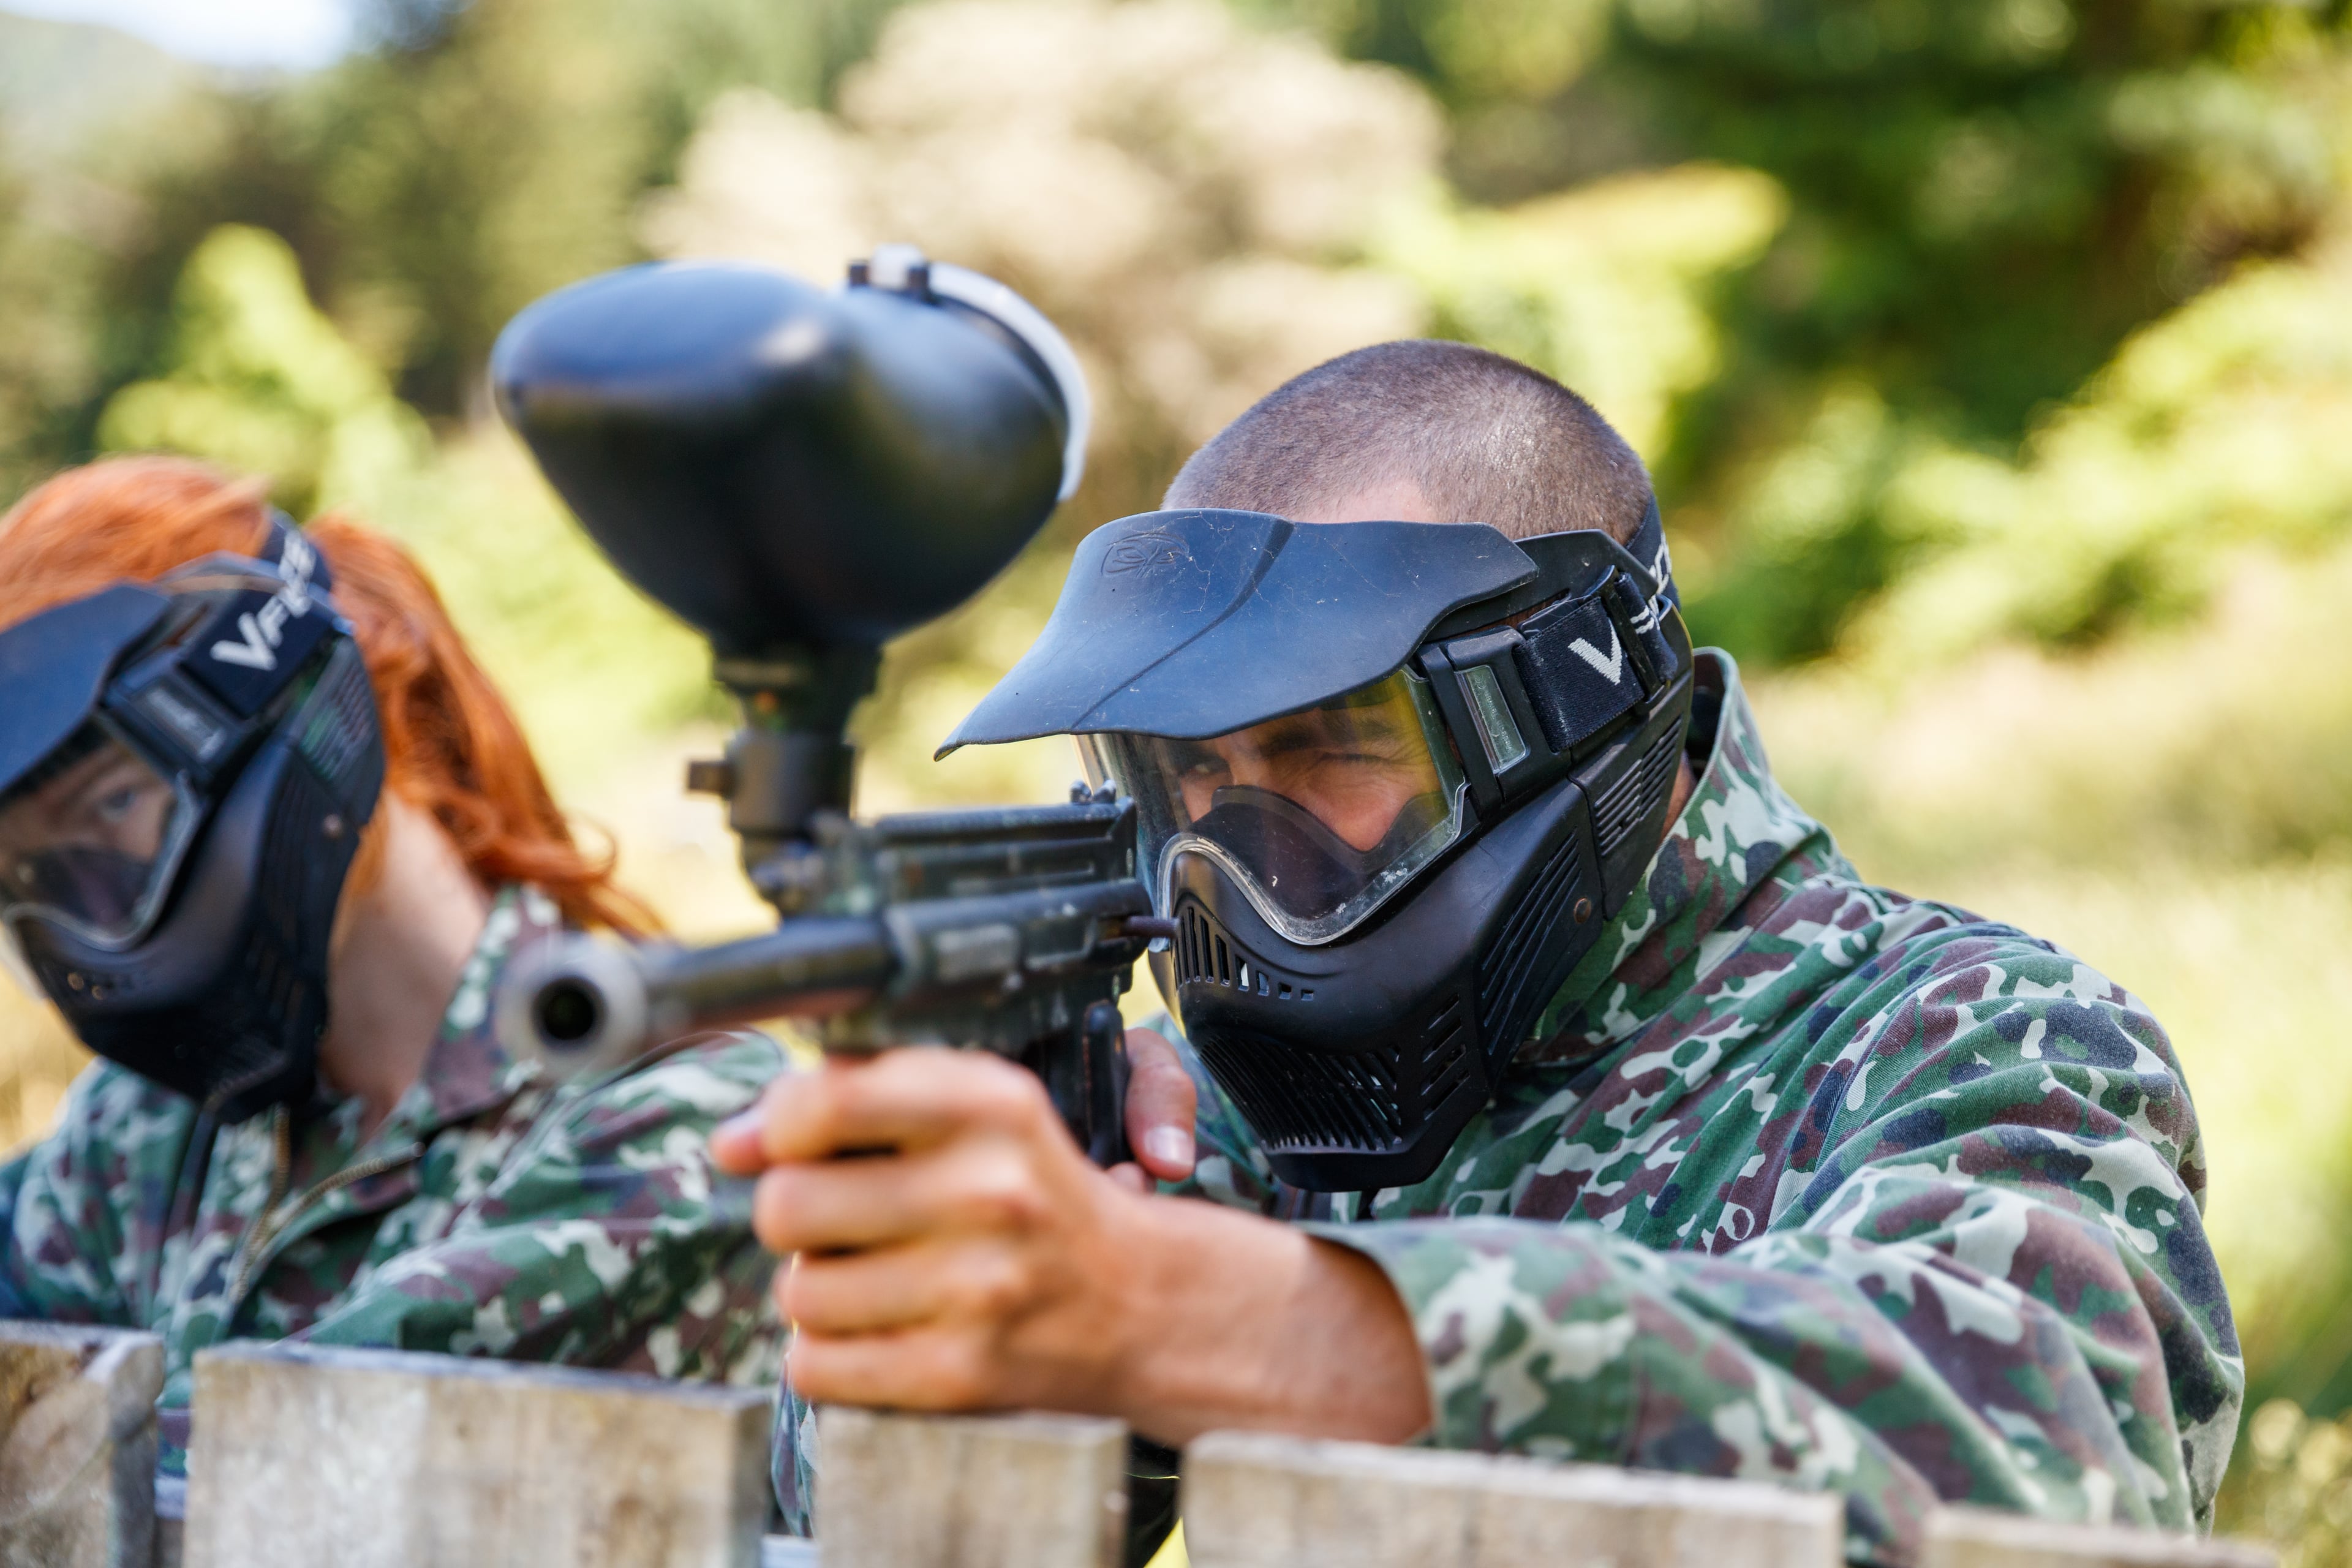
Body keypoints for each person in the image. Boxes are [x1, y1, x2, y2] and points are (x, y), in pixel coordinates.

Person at [717, 341, 2241, 1566]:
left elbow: (2039, 1468)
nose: (1244, 852)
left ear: (1570, 699)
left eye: (1330, 747)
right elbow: (855, 1530)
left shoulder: (1976, 1035)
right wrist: (972, 1310)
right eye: (1188, 775)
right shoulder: (1245, 1131)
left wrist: (1224, 1312)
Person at [0, 456, 785, 1479]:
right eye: (38, 877)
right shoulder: (150, 1128)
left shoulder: (678, 1123)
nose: (91, 920)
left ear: (309, 708)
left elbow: (264, 1466)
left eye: (111, 810)